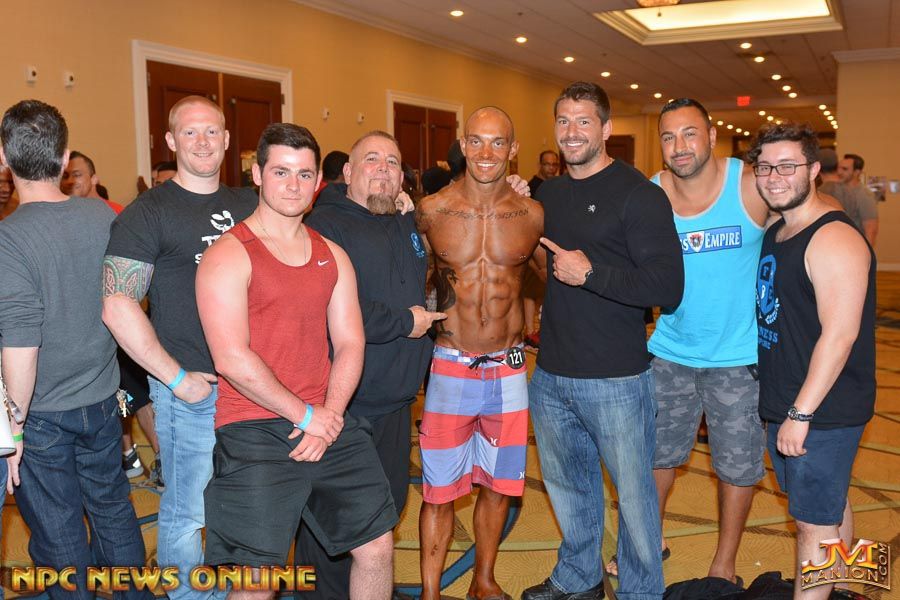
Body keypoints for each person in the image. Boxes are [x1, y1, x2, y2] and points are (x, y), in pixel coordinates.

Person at [196, 122, 396, 600]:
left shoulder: (333, 255)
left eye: (304, 175)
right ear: (257, 175)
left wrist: (329, 416)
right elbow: (231, 357)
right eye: (281, 172)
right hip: (253, 427)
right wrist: (305, 416)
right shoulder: (228, 255)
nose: (293, 185)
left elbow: (351, 342)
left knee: (378, 548)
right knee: (259, 580)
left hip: (327, 420)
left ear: (318, 182)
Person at [524, 82, 683, 600]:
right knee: (569, 488)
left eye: (584, 121)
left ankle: (642, 592)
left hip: (617, 378)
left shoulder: (640, 194)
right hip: (551, 373)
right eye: (563, 121)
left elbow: (667, 287)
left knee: (634, 500)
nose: (572, 132)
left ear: (607, 128)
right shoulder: (549, 194)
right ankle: (580, 578)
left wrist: (590, 274)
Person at [608, 98, 769, 584]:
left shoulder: (749, 184)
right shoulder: (651, 192)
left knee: (737, 466)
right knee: (655, 456)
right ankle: (646, 541)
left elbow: (805, 220)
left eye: (690, 133)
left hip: (738, 358)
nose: (679, 146)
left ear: (712, 136)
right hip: (670, 352)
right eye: (668, 136)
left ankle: (724, 563)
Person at [102, 95, 257, 600]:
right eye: (189, 132)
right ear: (170, 141)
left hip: (254, 388)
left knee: (247, 504)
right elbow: (117, 305)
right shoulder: (149, 212)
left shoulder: (251, 204)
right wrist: (175, 379)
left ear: (227, 139)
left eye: (212, 131)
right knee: (187, 512)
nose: (202, 142)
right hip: (193, 392)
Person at [0, 99, 150, 599]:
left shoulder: (9, 239)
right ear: (65, 160)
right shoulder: (102, 215)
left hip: (42, 413)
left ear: (5, 158)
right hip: (104, 401)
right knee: (113, 511)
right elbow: (128, 298)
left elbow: (21, 344)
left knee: (59, 533)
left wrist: (13, 428)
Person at [295, 130, 444, 600]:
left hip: (396, 402)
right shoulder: (326, 225)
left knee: (385, 510)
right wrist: (405, 322)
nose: (383, 168)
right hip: (347, 403)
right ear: (348, 172)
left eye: (393, 162)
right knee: (335, 523)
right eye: (372, 159)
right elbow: (336, 305)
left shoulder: (403, 220)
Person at [415, 106, 543, 600]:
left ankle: (483, 580)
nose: (486, 152)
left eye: (498, 142)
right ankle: (431, 592)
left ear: (513, 149)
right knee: (438, 489)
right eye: (477, 141)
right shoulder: (432, 210)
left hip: (509, 367)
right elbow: (413, 277)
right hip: (451, 361)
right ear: (463, 145)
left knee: (499, 484)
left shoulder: (531, 214)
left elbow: (553, 277)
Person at [751, 122, 875, 600]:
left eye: (788, 166)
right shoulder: (780, 230)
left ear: (814, 170)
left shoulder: (834, 238)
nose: (774, 177)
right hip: (790, 398)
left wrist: (800, 414)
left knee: (812, 526)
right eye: (765, 167)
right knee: (829, 505)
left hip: (823, 409)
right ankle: (850, 588)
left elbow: (840, 336)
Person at [818, 150, 878, 246]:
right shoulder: (838, 190)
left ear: (857, 172)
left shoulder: (864, 194)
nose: (839, 172)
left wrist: (865, 254)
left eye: (844, 169)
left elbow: (871, 230)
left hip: (854, 247)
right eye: (839, 167)